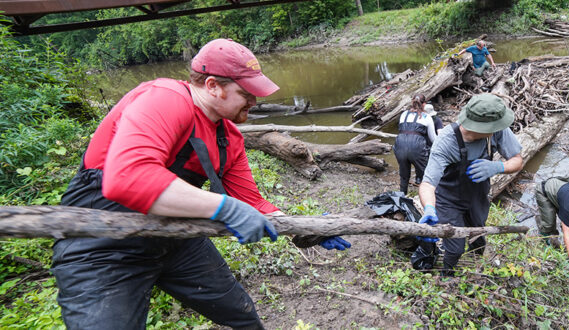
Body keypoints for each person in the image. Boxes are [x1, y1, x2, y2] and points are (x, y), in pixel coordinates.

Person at [51, 38, 348, 329]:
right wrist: (224, 208)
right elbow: (128, 178)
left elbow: (253, 204)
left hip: (176, 237)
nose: (255, 102)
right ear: (212, 86)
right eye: (246, 93)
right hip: (100, 243)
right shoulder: (165, 98)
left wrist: (307, 228)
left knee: (243, 316)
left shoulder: (228, 138)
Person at [417, 93, 523, 276]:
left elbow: (517, 160)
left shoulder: (497, 130)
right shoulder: (446, 142)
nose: (501, 127)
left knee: (478, 236)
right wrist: (428, 208)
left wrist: (498, 166)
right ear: (481, 126)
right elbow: (428, 184)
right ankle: (446, 275)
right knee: (455, 246)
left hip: (478, 197)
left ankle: (475, 266)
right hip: (448, 199)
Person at [394, 94, 437, 194]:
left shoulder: (403, 114)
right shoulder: (427, 117)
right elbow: (433, 138)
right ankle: (426, 197)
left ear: (412, 102)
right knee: (425, 174)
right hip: (416, 147)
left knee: (404, 175)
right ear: (424, 104)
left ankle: (402, 197)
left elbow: (402, 130)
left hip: (400, 144)